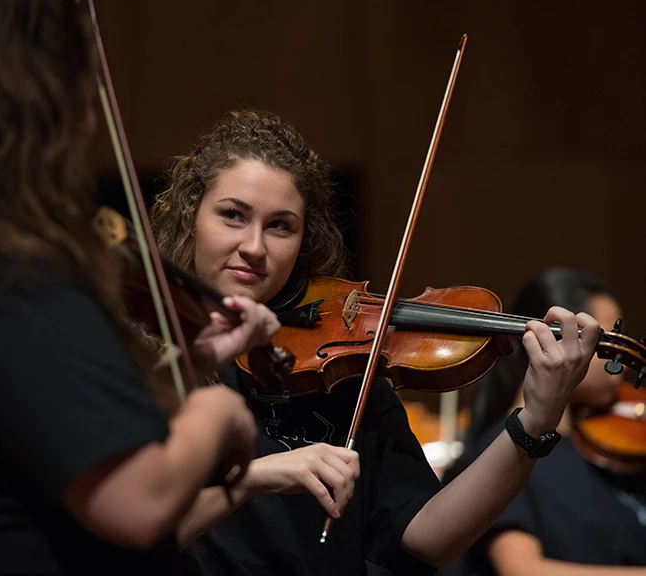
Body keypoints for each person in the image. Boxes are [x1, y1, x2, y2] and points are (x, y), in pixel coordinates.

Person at [150, 108, 600, 576]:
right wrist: (251, 480)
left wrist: (536, 420)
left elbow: (429, 537)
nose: (255, 247)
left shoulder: (341, 374)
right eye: (233, 216)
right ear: (191, 215)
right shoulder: (142, 358)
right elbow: (121, 541)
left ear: (304, 240)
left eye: (280, 225)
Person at [0, 0, 279, 573]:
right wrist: (218, 412)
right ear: (46, 104)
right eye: (84, 92)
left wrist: (190, 368)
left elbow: (54, 429)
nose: (93, 125)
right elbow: (137, 500)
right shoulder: (24, 276)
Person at [443, 268, 646, 576]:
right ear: (558, 340)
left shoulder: (602, 443)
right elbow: (521, 569)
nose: (618, 359)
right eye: (606, 341)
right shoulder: (509, 447)